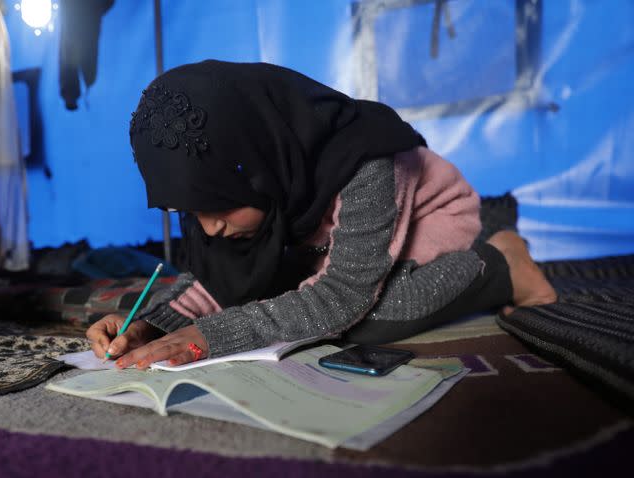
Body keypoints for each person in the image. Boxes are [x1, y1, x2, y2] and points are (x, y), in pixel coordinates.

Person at [87, 60, 556, 370]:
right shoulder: (238, 182)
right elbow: (223, 278)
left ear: (256, 162)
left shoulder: (365, 159)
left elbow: (342, 296)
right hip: (319, 244)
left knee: (368, 319)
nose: (209, 227)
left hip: (427, 223)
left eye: (218, 208)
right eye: (191, 213)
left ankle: (501, 263)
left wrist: (216, 334)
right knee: (267, 288)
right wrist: (150, 324)